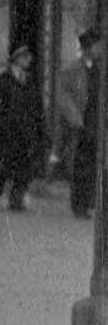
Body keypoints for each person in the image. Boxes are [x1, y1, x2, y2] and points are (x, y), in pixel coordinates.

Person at [0, 43, 46, 212]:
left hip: (25, 132)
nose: (28, 60)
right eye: (24, 56)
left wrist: (39, 128)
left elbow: (37, 107)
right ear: (15, 59)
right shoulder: (1, 80)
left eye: (28, 57)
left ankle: (18, 196)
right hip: (7, 131)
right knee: (2, 164)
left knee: (23, 165)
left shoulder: (30, 80)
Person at [70, 30, 103, 219]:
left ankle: (87, 201)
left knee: (92, 165)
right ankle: (79, 203)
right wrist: (75, 116)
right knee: (82, 163)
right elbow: (65, 95)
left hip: (96, 122)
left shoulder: (99, 69)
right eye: (92, 47)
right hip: (82, 122)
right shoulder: (75, 69)